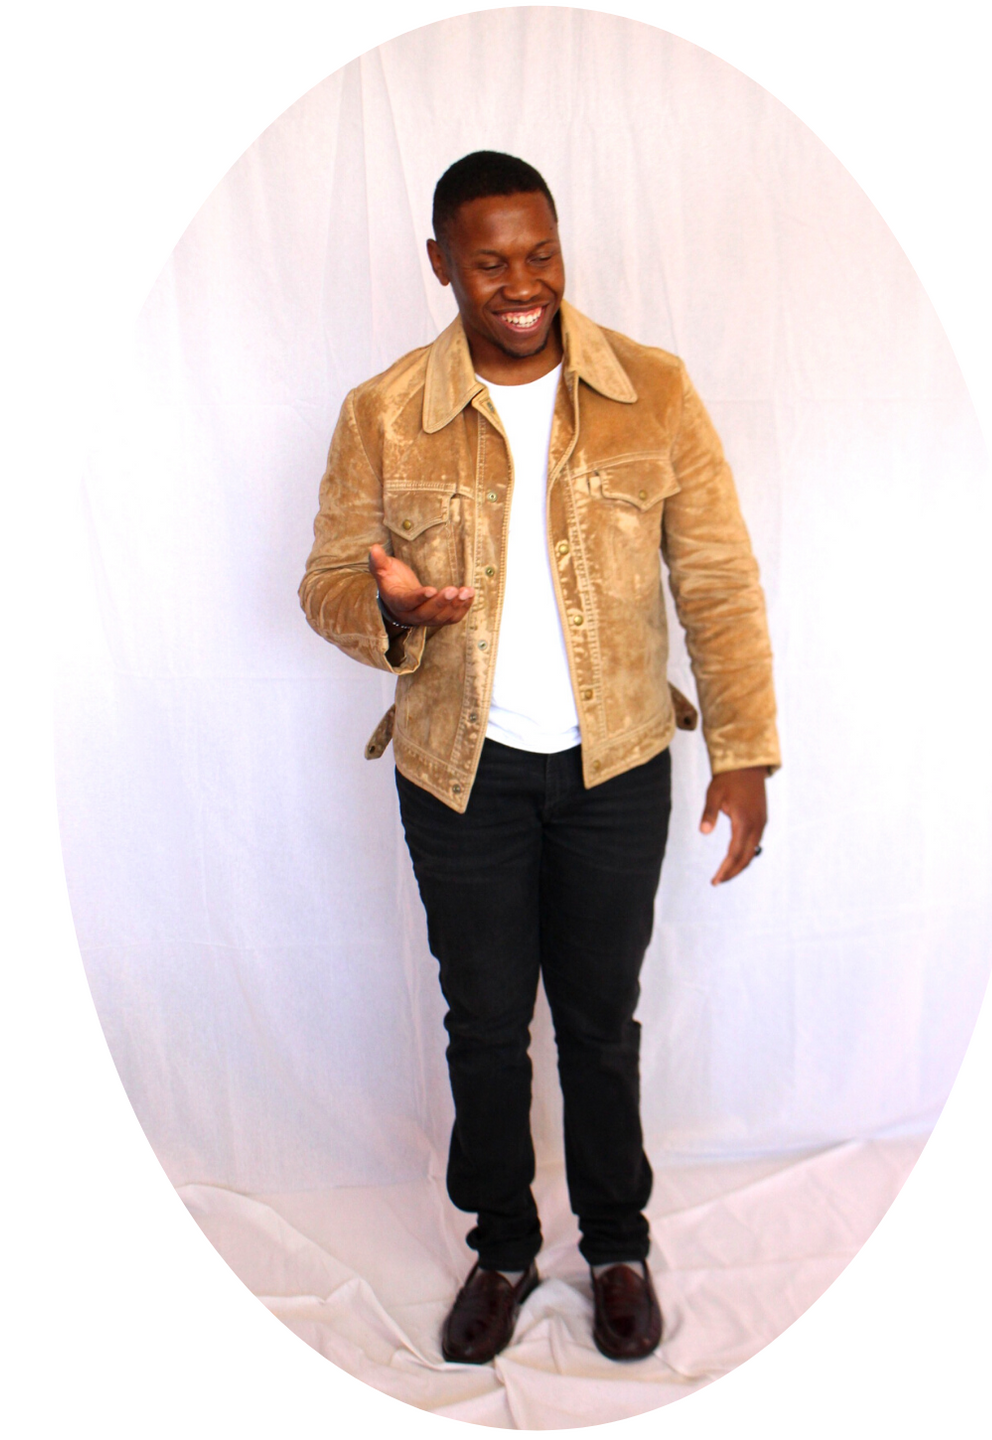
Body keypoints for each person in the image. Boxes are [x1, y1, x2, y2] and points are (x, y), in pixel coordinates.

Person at [299, 151, 780, 1366]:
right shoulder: (381, 410)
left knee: (600, 1022)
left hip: (615, 766)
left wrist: (742, 752)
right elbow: (324, 583)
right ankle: (503, 1250)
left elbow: (716, 580)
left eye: (539, 255)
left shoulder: (651, 390)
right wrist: (391, 609)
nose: (521, 285)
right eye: (488, 263)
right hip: (457, 774)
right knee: (483, 1023)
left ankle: (616, 1247)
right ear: (440, 264)